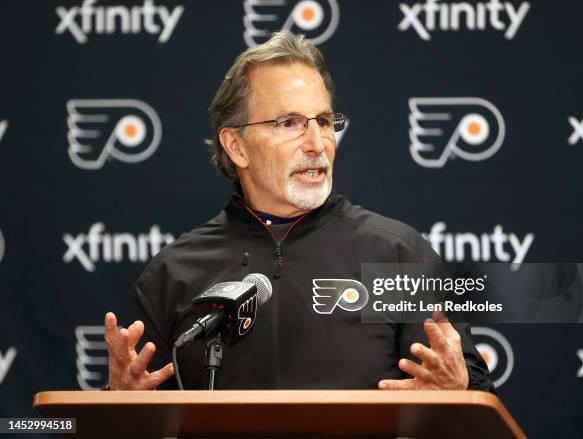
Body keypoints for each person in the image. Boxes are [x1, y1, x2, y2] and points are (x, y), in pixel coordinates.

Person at [103, 32, 493, 392]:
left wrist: (459, 391)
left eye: (323, 121)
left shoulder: (396, 253)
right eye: (288, 123)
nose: (316, 143)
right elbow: (127, 414)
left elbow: (473, 395)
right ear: (236, 146)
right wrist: (119, 405)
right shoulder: (174, 272)